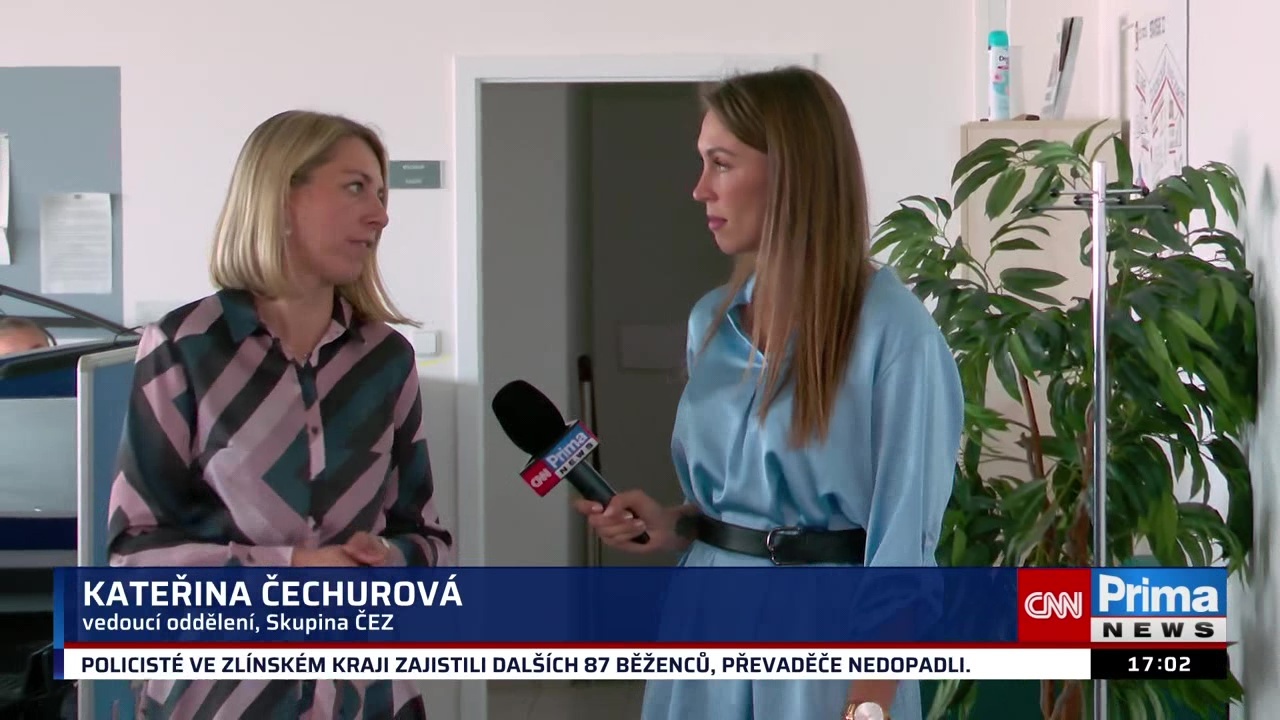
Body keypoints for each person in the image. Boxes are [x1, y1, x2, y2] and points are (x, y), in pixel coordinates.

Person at [573, 67, 964, 720]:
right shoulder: (710, 322)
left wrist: (867, 706)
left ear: (791, 173)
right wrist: (672, 523)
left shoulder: (895, 335)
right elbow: (739, 507)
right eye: (702, 162)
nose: (700, 188)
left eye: (721, 163)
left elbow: (902, 555)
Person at [106, 110, 454, 719]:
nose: (380, 215)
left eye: (381, 193)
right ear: (281, 197)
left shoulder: (386, 359)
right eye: (355, 188)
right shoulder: (183, 347)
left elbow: (430, 541)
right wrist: (293, 569)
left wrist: (385, 559)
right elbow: (135, 556)